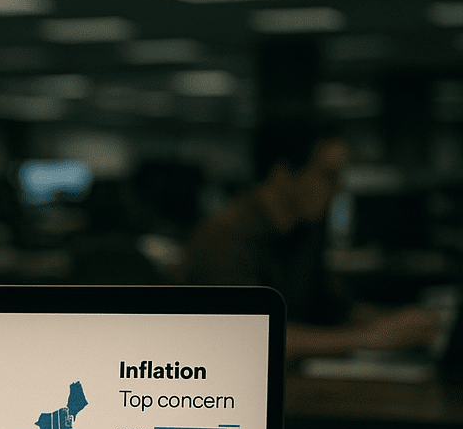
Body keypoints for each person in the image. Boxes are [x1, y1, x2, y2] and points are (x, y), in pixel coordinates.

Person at [180, 119, 438, 361]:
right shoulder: (225, 236)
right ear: (282, 174)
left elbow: (334, 307)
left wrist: (400, 324)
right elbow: (245, 338)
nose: (337, 188)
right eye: (327, 175)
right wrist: (364, 338)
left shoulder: (304, 231)